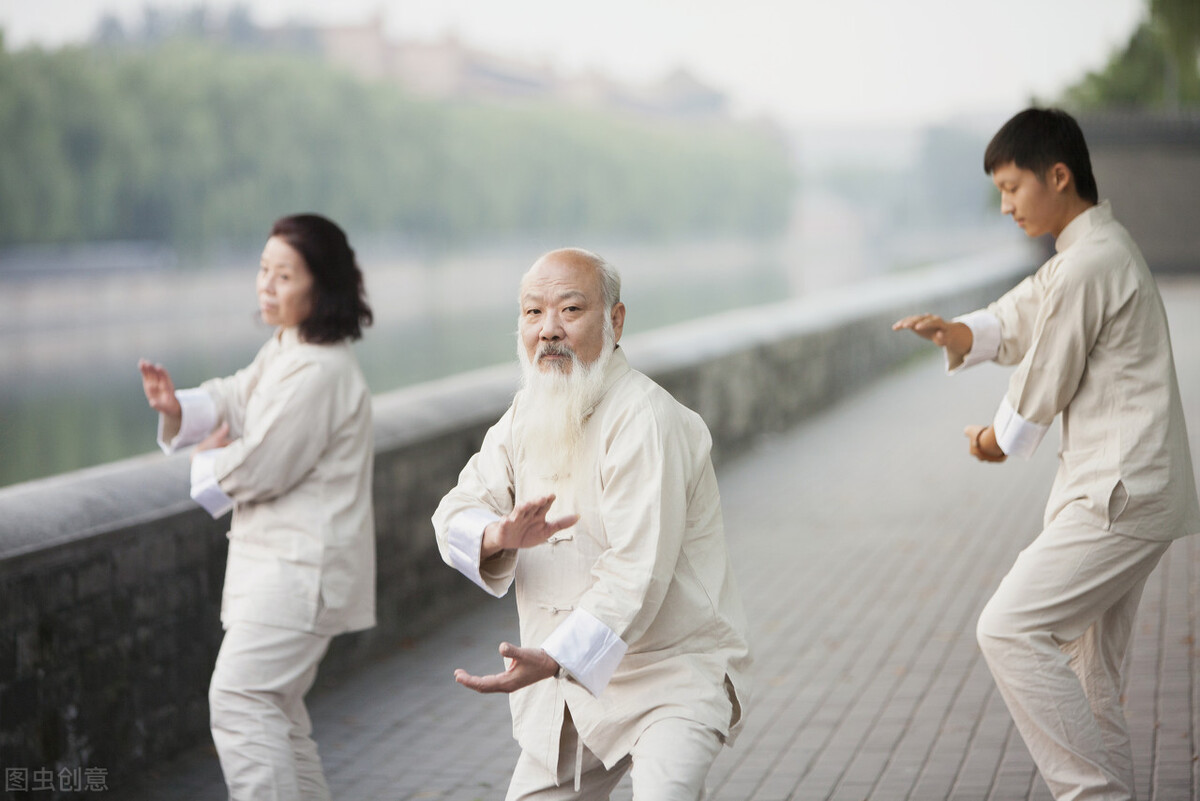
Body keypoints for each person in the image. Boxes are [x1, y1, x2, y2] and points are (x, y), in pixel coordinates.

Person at [893, 108, 1200, 801]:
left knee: (1008, 627)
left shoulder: (1092, 261)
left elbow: (1047, 368)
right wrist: (963, 332)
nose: (1004, 205)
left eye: (1012, 187)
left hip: (1119, 493)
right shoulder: (1091, 253)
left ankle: (1091, 792)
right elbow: (1033, 306)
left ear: (1058, 176)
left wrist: (997, 438)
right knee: (1092, 681)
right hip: (1130, 490)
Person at [432, 247, 751, 800]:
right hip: (568, 687)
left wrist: (557, 654)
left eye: (570, 310)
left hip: (668, 674)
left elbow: (637, 570)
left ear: (615, 320)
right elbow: (455, 509)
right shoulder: (522, 416)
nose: (549, 330)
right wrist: (497, 535)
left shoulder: (645, 417)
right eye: (533, 313)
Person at [138, 213, 376, 800]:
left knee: (242, 703)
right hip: (285, 571)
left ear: (321, 286)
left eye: (284, 275)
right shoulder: (292, 348)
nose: (266, 286)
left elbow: (262, 465)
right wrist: (179, 406)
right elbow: (236, 396)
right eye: (263, 271)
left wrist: (206, 463)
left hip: (297, 572)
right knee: (276, 714)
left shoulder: (318, 371)